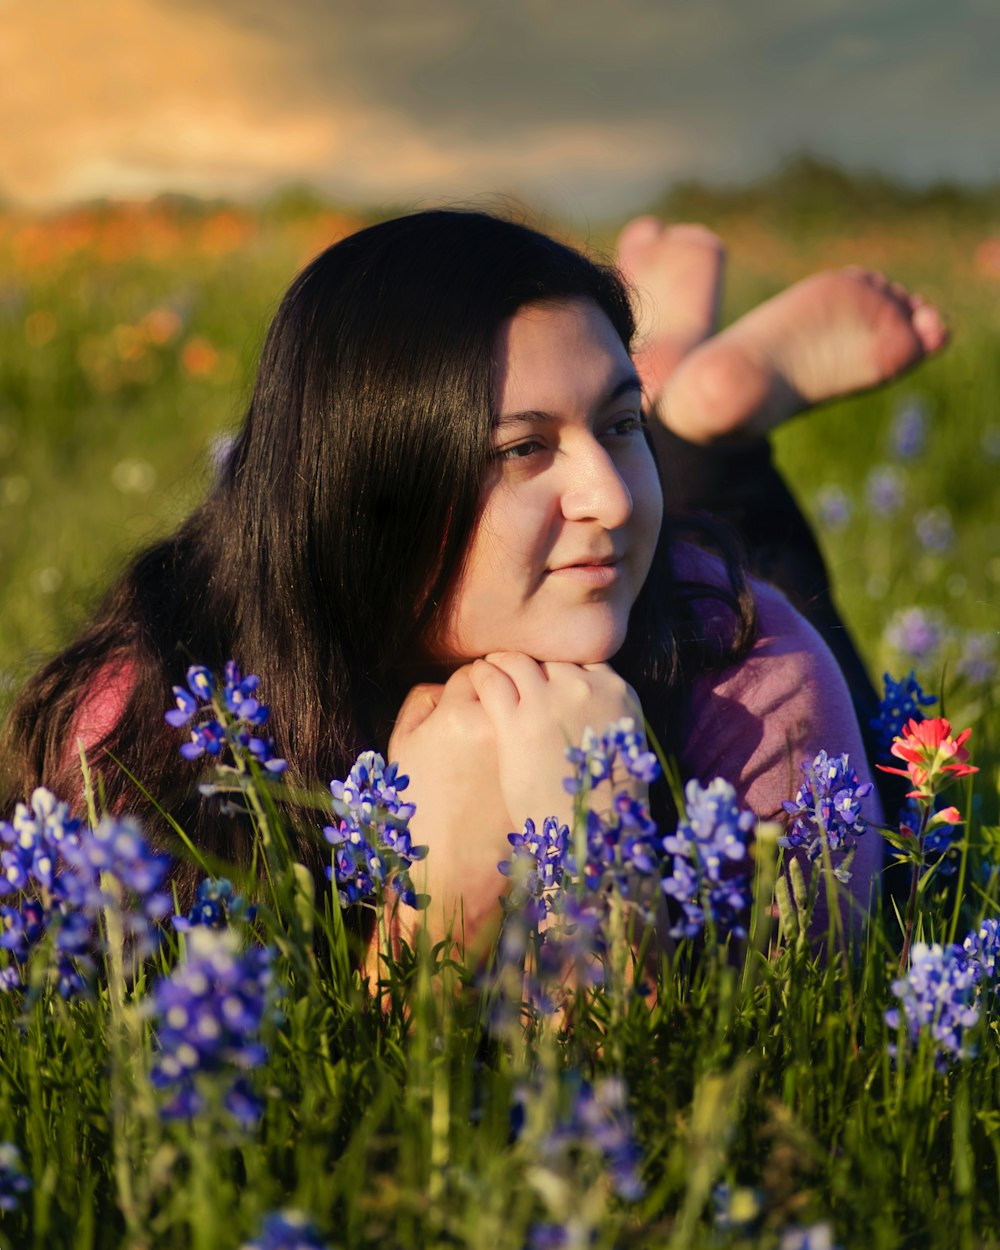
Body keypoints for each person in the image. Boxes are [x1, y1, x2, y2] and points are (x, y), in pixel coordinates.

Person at [3, 209, 884, 952]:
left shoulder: (751, 672)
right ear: (370, 495)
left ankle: (697, 425)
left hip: (676, 598)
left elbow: (735, 1089)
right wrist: (446, 912)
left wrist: (592, 862)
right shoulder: (143, 726)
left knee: (729, 545)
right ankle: (683, 398)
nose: (610, 497)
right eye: (521, 449)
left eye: (622, 423)